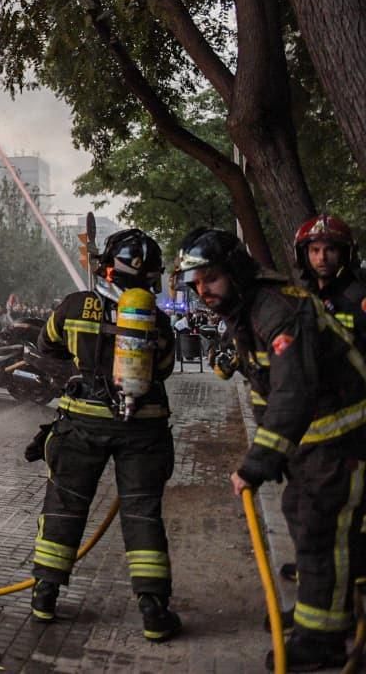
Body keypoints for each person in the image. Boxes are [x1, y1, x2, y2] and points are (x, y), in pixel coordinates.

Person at [177, 228, 366, 670]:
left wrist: (258, 462)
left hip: (342, 440)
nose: (203, 291)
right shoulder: (247, 310)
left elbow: (292, 394)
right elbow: (266, 388)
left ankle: (324, 640)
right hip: (311, 442)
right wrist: (277, 451)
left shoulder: (278, 310)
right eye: (196, 283)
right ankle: (312, 615)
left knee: (323, 533)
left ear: (236, 272)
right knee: (303, 519)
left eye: (212, 279)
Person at [27, 228, 181, 642]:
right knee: (142, 513)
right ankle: (152, 609)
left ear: (107, 269)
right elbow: (164, 367)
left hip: (82, 424)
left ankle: (45, 594)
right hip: (144, 429)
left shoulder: (74, 306)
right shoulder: (159, 321)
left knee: (64, 506)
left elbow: (48, 346)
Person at [294, 214, 366, 355]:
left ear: (345, 253)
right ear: (304, 255)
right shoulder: (303, 299)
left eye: (330, 250)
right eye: (315, 250)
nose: (322, 258)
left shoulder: (360, 294)